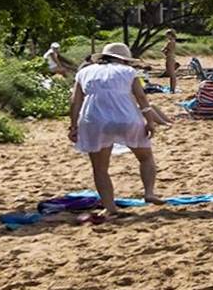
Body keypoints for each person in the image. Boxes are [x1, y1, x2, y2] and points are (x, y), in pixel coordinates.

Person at [68, 40, 160, 211]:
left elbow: (75, 102)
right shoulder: (129, 72)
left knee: (100, 168)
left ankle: (110, 206)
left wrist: (73, 126)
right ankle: (149, 192)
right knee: (145, 157)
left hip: (94, 120)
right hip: (126, 117)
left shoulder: (84, 72)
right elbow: (141, 99)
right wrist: (150, 120)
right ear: (124, 59)